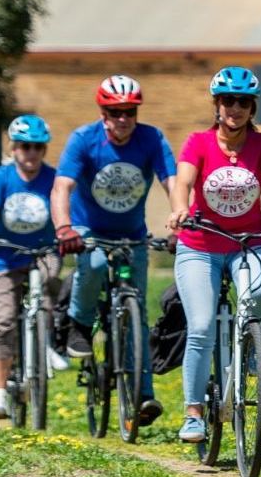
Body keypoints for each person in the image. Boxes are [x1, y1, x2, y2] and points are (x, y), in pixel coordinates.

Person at [166, 67, 261, 444]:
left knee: (260, 293)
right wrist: (179, 207)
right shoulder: (198, 142)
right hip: (200, 245)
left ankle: (253, 348)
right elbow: (183, 180)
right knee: (201, 327)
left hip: (248, 242)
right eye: (227, 101)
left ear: (253, 108)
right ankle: (193, 413)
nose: (234, 108)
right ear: (216, 105)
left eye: (243, 102)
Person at [53, 74, 176, 430]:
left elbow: (172, 182)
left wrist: (180, 224)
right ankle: (78, 323)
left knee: (135, 313)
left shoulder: (151, 138)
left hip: (132, 233)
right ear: (103, 113)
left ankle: (142, 395)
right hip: (88, 229)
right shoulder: (83, 139)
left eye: (130, 112)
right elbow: (62, 187)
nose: (123, 119)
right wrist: (64, 229)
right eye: (115, 112)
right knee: (90, 263)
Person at [0, 115, 67, 419]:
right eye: (25, 147)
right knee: (4, 322)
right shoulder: (0, 176)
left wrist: (68, 232)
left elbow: (63, 206)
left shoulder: (53, 178)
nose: (31, 153)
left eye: (38, 147)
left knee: (52, 282)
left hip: (43, 250)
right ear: (13, 148)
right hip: (5, 256)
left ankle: (46, 341)